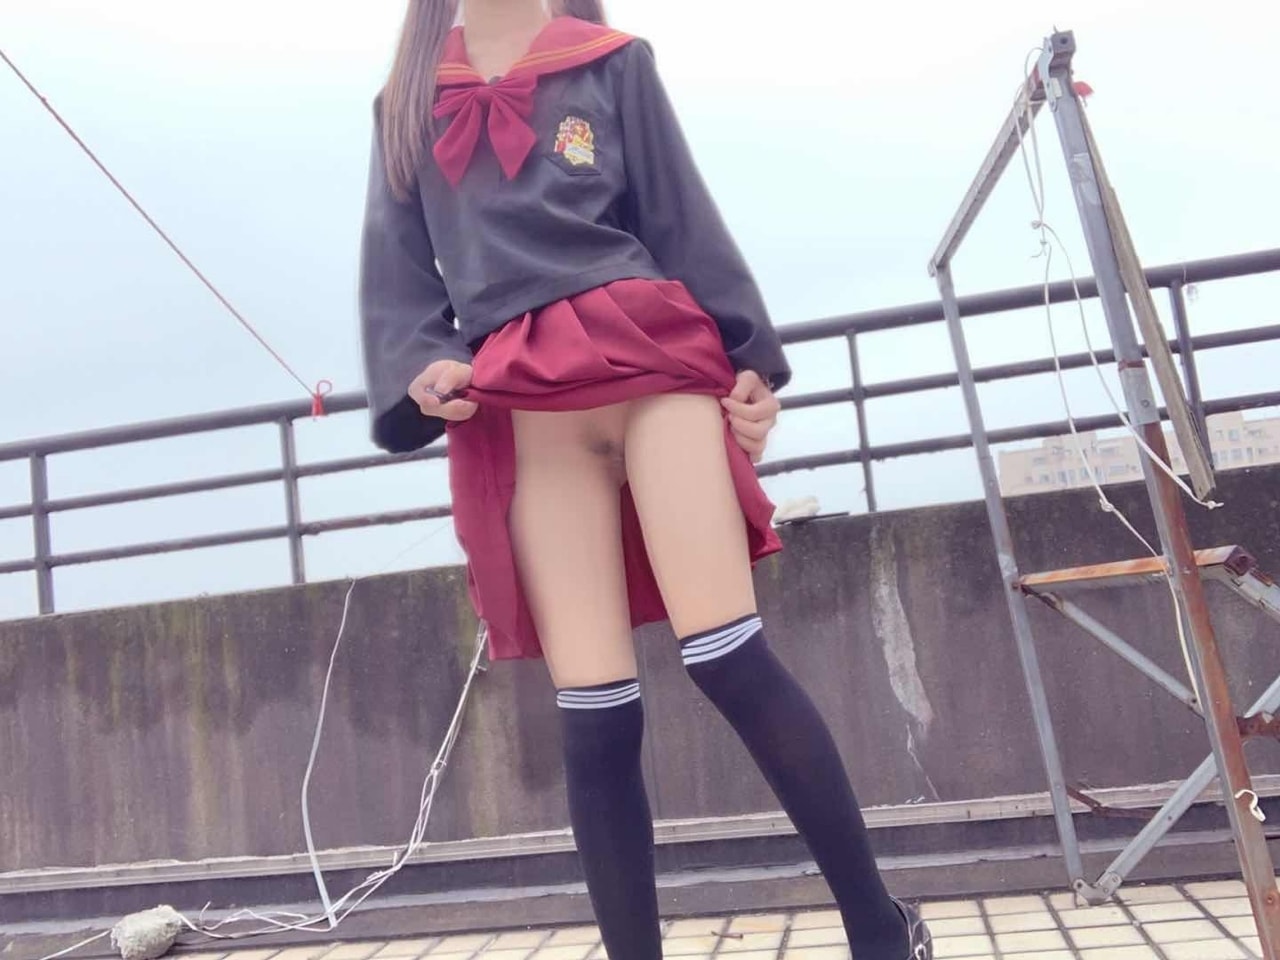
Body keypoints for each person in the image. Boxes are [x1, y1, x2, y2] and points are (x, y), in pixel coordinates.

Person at [358, 1, 932, 957]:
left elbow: (680, 220)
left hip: (649, 355)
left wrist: (751, 363)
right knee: (593, 716)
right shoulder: (407, 101)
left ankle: (879, 931)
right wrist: (422, 369)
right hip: (528, 396)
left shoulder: (611, 61)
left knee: (728, 655)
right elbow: (399, 282)